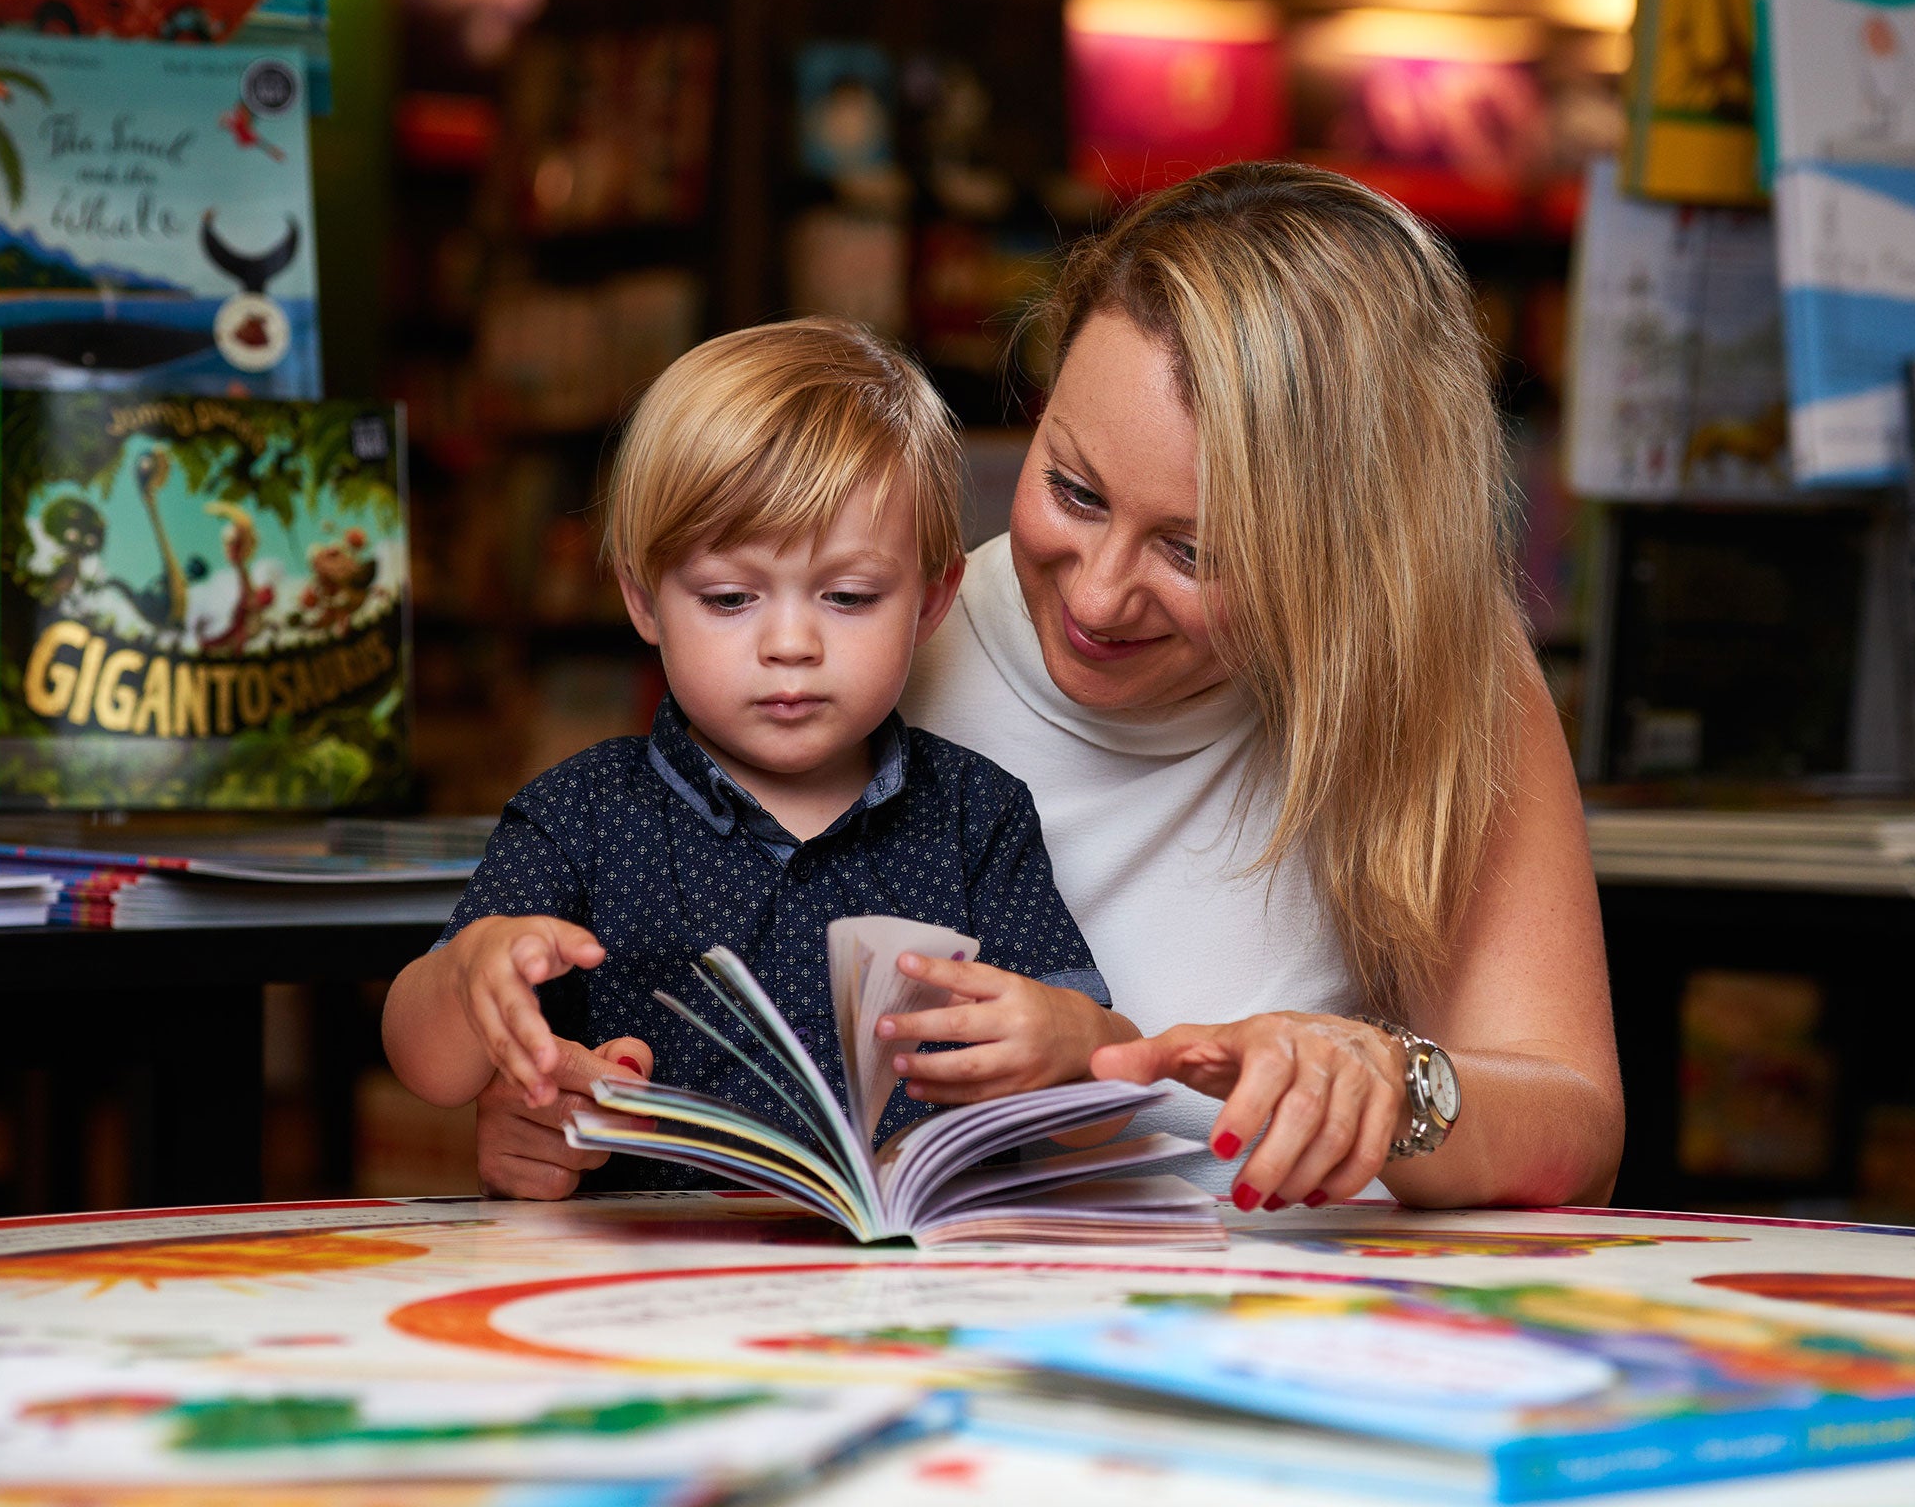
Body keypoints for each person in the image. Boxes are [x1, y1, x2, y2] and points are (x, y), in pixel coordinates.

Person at [472, 161, 1622, 1212]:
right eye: (1070, 489)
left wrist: (1391, 1086)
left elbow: (1572, 1129)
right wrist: (554, 1112)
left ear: (1351, 557)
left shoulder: (1441, 668)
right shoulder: (864, 648)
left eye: (1196, 552)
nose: (1098, 595)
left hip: (1290, 1339)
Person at [383, 317, 1135, 1184]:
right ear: (644, 599)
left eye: (849, 597)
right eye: (731, 596)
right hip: (643, 1289)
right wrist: (470, 978)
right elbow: (428, 1067)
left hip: (908, 1292)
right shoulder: (582, 815)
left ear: (931, 603)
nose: (790, 643)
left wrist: (1076, 1042)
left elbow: (1098, 1114)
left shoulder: (976, 814)